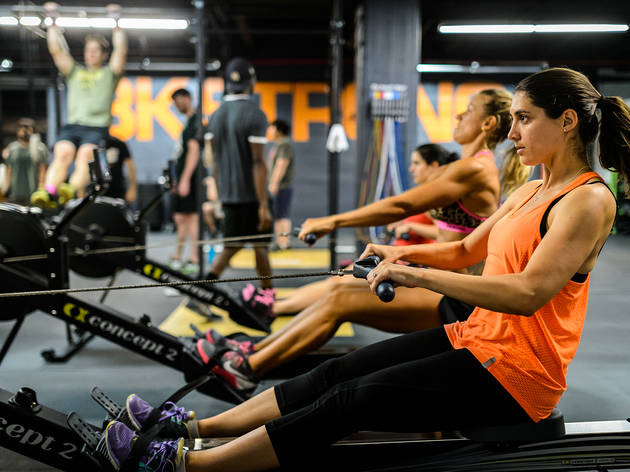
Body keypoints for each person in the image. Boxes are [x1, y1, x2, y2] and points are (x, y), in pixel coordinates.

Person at [101, 66, 626, 472]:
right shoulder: (531, 188)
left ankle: (186, 465)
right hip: (477, 339)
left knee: (353, 401)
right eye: (511, 117)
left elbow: (530, 293)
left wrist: (413, 276)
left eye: (524, 117)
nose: (512, 131)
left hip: (518, 376)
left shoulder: (586, 201)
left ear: (567, 120)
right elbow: (466, 251)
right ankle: (196, 426)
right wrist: (400, 256)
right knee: (336, 372)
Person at [193, 89, 528, 396]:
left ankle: (247, 370)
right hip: (443, 279)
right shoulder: (463, 166)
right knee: (338, 291)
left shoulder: (475, 168)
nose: (458, 117)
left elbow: (402, 206)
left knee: (341, 303)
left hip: (459, 299)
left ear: (487, 123)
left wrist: (332, 221)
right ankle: (255, 350)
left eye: (467, 111)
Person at [31, 2, 127, 207]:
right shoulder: (75, 72)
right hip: (73, 125)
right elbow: (57, 51)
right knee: (62, 153)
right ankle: (48, 192)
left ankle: (70, 191)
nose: (90, 53)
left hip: (96, 127)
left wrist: (117, 21)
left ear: (103, 54)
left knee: (85, 155)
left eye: (95, 50)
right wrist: (52, 20)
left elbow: (121, 52)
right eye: (88, 50)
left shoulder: (110, 73)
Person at [204, 57, 274, 308]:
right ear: (251, 82)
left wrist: (219, 193)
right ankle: (269, 297)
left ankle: (204, 289)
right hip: (252, 197)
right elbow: (258, 163)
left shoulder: (215, 115)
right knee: (260, 246)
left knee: (230, 246)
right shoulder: (255, 114)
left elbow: (213, 160)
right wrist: (263, 204)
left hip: (229, 195)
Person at [169, 88, 201, 275]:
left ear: (186, 99)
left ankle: (194, 259)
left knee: (192, 218)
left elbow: (194, 151)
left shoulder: (195, 122)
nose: (176, 105)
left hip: (190, 178)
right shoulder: (189, 121)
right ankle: (178, 255)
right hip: (183, 177)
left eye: (177, 101)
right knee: (181, 218)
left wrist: (185, 180)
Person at [2, 118, 48, 205]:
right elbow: (8, 169)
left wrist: (41, 188)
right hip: (15, 192)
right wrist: (6, 188)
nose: (24, 131)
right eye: (21, 128)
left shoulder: (40, 148)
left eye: (27, 128)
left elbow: (42, 168)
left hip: (33, 192)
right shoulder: (12, 148)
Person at [267, 119, 295, 251]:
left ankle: (283, 242)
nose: (269, 131)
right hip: (281, 186)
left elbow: (281, 164)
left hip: (282, 186)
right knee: (280, 215)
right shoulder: (279, 144)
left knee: (281, 215)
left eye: (271, 128)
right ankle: (282, 242)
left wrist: (274, 183)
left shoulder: (284, 144)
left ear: (278, 130)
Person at [103, 135, 137, 204]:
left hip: (117, 187)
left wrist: (133, 188)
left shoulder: (118, 143)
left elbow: (131, 166)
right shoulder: (93, 143)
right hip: (98, 188)